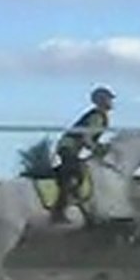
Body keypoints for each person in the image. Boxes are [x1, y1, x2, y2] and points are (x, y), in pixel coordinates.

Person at [51, 86, 115, 223]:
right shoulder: (97, 117)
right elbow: (87, 138)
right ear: (102, 101)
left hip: (71, 147)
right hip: (68, 147)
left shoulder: (99, 116)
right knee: (75, 175)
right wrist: (98, 150)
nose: (111, 102)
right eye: (109, 99)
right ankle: (59, 211)